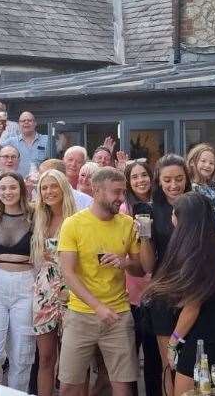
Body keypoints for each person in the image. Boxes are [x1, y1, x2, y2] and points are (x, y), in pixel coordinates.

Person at [57, 167, 152, 396]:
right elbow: (68, 273)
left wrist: (125, 262)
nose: (121, 198)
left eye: (123, 192)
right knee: (70, 385)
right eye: (116, 192)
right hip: (80, 315)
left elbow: (142, 270)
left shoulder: (127, 223)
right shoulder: (73, 224)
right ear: (96, 190)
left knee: (122, 386)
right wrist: (97, 307)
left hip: (118, 316)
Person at [146, 192, 215, 396]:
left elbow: (192, 307)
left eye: (174, 214)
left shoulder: (199, 252)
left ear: (183, 219)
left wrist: (173, 342)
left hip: (203, 335)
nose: (171, 218)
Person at [0, 171, 36, 392]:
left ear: (21, 189)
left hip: (26, 284)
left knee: (22, 354)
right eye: (3, 188)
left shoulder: (36, 216)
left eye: (12, 187)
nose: (7, 192)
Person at [140, 154, 192, 390]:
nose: (174, 185)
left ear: (187, 179)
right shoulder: (152, 211)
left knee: (192, 360)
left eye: (179, 179)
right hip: (164, 291)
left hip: (194, 291)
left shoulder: (197, 205)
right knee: (168, 362)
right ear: (158, 181)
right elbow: (148, 267)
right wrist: (144, 237)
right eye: (167, 180)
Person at [31, 169, 78, 396]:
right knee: (46, 357)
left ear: (63, 188)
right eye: (44, 187)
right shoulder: (39, 217)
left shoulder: (77, 218)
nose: (49, 191)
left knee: (74, 362)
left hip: (73, 289)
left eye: (53, 186)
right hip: (44, 292)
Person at [119, 159, 161, 396]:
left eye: (143, 175)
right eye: (134, 177)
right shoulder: (124, 210)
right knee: (130, 359)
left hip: (158, 291)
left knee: (154, 357)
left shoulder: (163, 205)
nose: (140, 181)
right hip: (132, 293)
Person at [0, 111, 49, 176]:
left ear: (35, 123)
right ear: (19, 124)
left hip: (41, 183)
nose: (26, 122)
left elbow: (59, 150)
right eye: (23, 121)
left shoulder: (47, 140)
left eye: (29, 120)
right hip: (19, 183)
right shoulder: (11, 142)